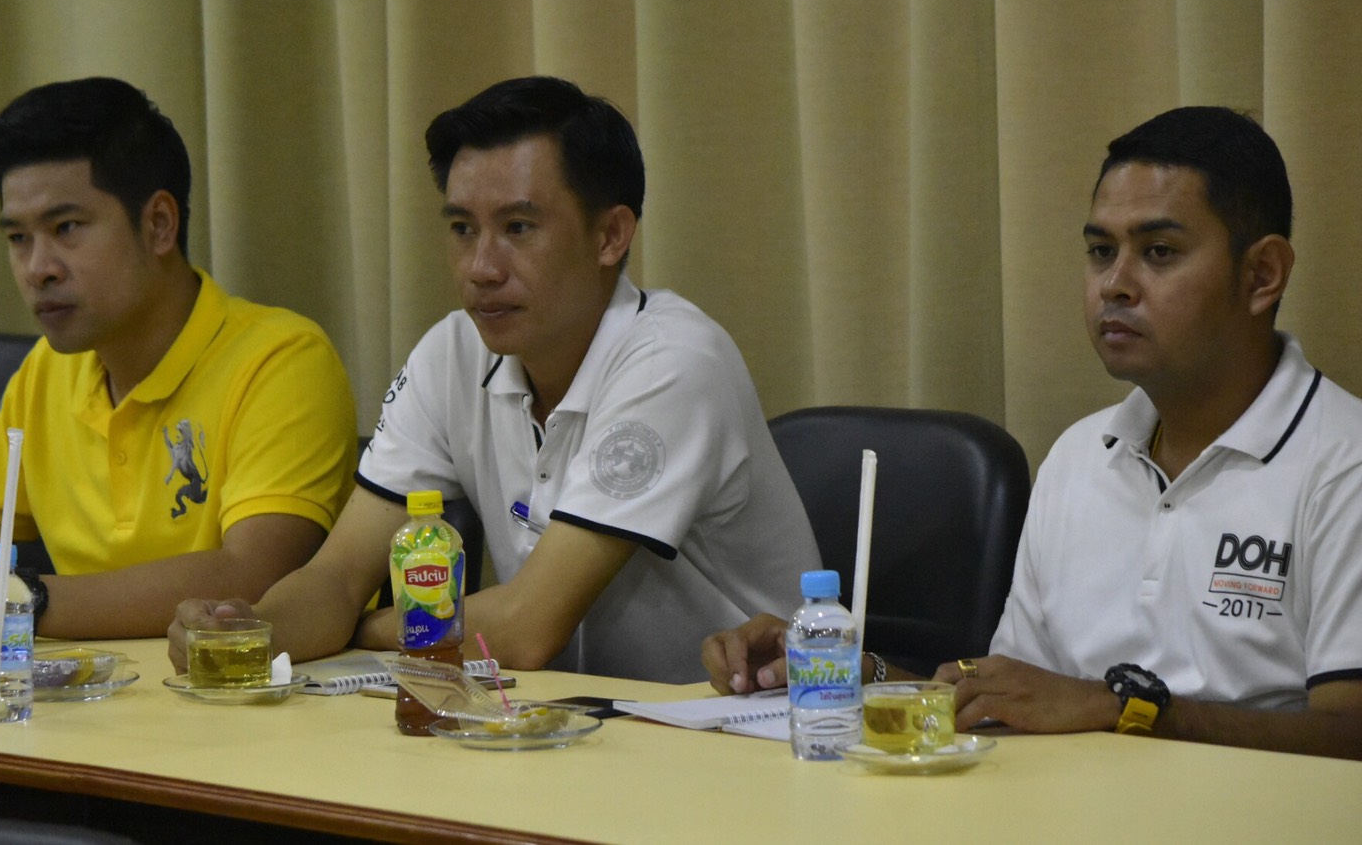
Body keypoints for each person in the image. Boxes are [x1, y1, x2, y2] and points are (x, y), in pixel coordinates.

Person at [703, 107, 1362, 759]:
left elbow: (1350, 733)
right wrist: (843, 668)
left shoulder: (1343, 462)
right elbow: (1009, 702)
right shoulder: (1080, 455)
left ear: (1262, 275)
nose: (1114, 285)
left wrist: (1121, 710)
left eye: (1158, 252)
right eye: (1101, 251)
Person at [170, 75, 819, 683]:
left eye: (518, 228)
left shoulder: (673, 361)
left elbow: (527, 627)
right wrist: (247, 629)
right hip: (571, 721)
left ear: (610, 236)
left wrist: (358, 628)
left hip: (744, 721)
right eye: (462, 229)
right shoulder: (451, 353)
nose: (481, 267)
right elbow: (335, 579)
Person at [0, 77, 357, 644]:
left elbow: (256, 576)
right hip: (84, 691)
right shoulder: (49, 370)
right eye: (18, 238)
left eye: (66, 228)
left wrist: (15, 603)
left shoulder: (280, 360)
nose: (37, 268)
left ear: (159, 224)